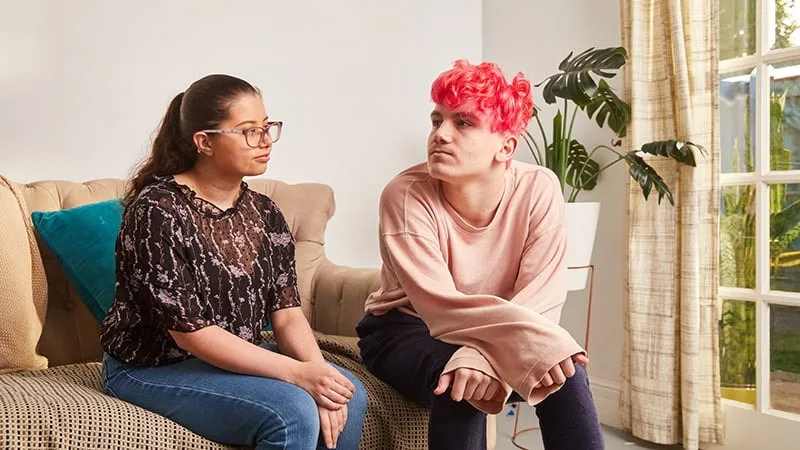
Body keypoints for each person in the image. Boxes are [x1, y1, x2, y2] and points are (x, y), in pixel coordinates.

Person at [100, 74, 367, 450]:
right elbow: (191, 334)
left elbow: (287, 314)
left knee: (347, 396)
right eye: (247, 131)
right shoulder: (157, 210)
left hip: (227, 360)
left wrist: (318, 373)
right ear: (204, 142)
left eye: (266, 127)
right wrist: (297, 375)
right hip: (148, 368)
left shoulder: (265, 212)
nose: (264, 141)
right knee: (291, 412)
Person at [356, 60, 604, 450]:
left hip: (500, 324)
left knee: (567, 372)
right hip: (404, 328)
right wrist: (490, 355)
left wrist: (493, 352)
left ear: (506, 146)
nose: (441, 134)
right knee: (463, 381)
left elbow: (542, 296)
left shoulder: (539, 188)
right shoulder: (404, 195)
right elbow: (441, 307)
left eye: (463, 123)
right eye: (437, 121)